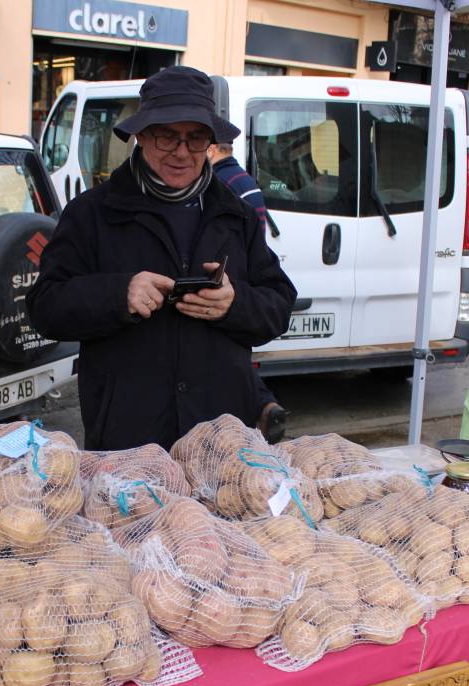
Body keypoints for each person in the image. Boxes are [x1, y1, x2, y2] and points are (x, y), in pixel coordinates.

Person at [26, 65, 297, 451]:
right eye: (166, 136)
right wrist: (118, 294)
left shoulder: (235, 216)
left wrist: (235, 304)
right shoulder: (92, 213)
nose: (182, 152)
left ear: (211, 142)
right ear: (140, 135)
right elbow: (44, 307)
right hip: (128, 440)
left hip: (220, 441)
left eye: (196, 138)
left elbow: (279, 304)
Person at [208, 142, 288, 443]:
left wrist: (236, 298)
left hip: (236, 289)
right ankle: (265, 403)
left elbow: (277, 298)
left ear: (211, 148)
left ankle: (264, 402)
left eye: (196, 142)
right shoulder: (244, 179)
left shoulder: (225, 186)